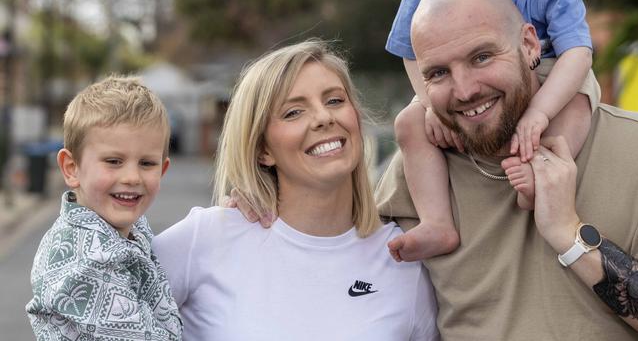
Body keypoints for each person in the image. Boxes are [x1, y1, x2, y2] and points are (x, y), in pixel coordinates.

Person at [376, 0, 638, 339]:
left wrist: (569, 234)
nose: (465, 90)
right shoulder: (417, 174)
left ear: (530, 44)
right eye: (439, 73)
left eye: (482, 56)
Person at [385, 0, 599, 262]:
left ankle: (543, 175)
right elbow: (410, 50)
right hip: (453, 77)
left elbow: (578, 52)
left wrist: (539, 111)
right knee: (409, 124)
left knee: (577, 103)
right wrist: (433, 106)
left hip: (544, 70)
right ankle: (437, 222)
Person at [153, 40, 439, 340]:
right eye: (293, 112)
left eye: (335, 101)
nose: (324, 118)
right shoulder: (206, 238)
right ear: (263, 149)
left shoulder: (403, 257)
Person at [26, 76, 182, 341]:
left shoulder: (119, 225)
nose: (132, 177)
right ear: (71, 168)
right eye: (113, 161)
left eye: (147, 163)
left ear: (163, 169)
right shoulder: (88, 261)